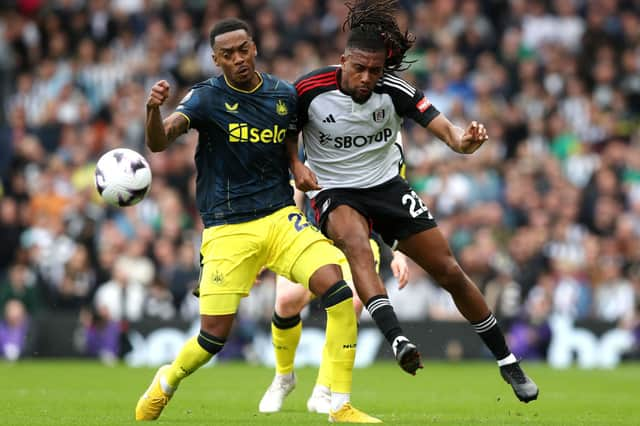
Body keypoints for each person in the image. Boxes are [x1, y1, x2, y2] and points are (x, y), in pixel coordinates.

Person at [288, 0, 539, 403]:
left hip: (387, 187)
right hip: (333, 189)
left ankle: (508, 361)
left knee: (449, 271)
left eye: (375, 70)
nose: (367, 78)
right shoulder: (307, 90)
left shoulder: (396, 90)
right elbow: (285, 133)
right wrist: (296, 168)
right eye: (359, 68)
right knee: (356, 246)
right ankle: (398, 338)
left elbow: (449, 134)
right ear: (343, 60)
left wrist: (466, 142)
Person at [134, 18, 379, 423]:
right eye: (227, 55)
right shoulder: (205, 98)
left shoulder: (283, 95)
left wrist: (296, 165)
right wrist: (152, 110)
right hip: (228, 227)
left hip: (281, 217)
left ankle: (339, 405)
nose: (238, 59)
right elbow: (159, 142)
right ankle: (167, 380)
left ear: (254, 47)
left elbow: (287, 136)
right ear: (215, 60)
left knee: (337, 290)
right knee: (212, 338)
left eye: (243, 49)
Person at [259, 185, 410, 414]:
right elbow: (293, 193)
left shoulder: (376, 153)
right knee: (287, 300)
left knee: (352, 303)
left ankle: (324, 390)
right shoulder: (311, 149)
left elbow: (391, 201)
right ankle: (284, 376)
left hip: (359, 240)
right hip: (310, 235)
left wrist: (399, 253)